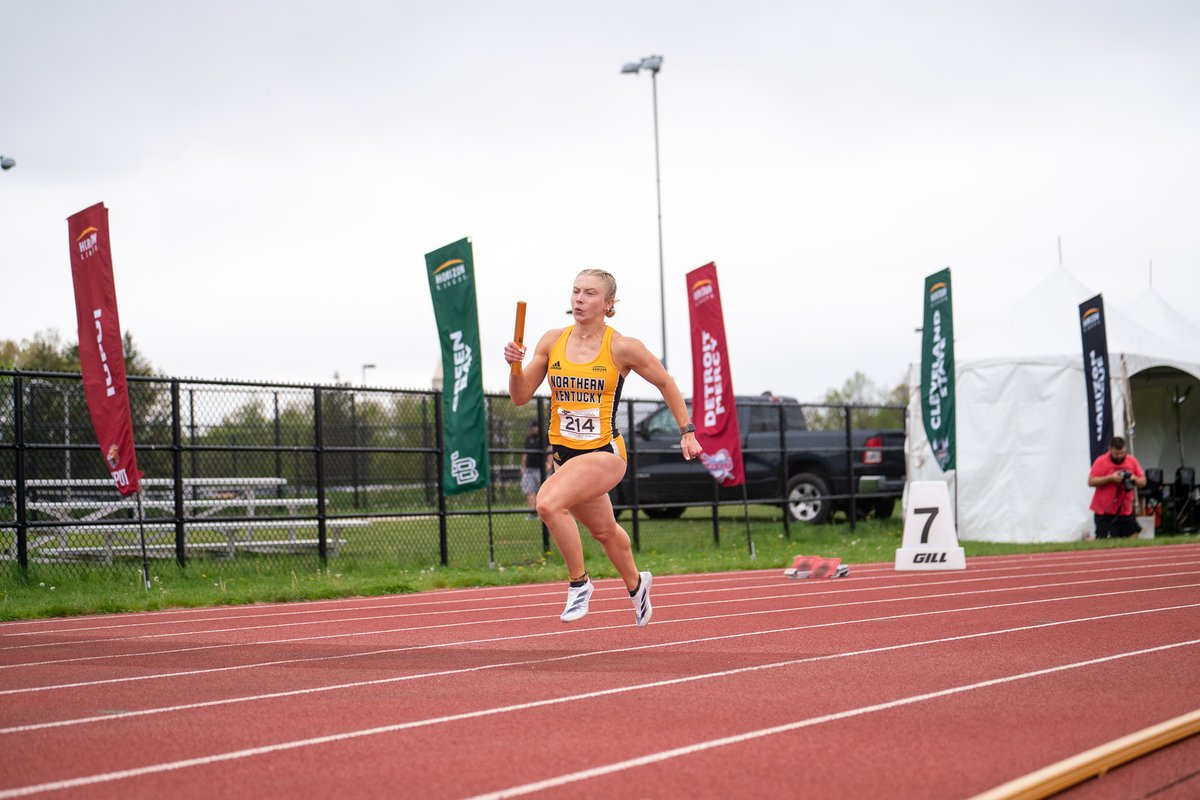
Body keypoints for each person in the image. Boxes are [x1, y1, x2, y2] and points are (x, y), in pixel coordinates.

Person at [503, 268, 703, 626]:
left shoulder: (621, 347)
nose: (579, 298)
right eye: (576, 291)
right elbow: (519, 397)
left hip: (605, 453)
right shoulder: (552, 341)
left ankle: (580, 584)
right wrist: (515, 366)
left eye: (590, 293)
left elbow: (666, 383)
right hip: (565, 457)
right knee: (605, 532)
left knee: (548, 503)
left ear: (608, 304)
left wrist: (687, 430)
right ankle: (637, 583)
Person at [1087, 436, 1147, 538]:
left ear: (1125, 450)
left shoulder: (1131, 461)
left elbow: (1143, 482)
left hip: (1125, 509)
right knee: (1104, 541)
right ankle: (1088, 540)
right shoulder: (1101, 461)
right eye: (1116, 454)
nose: (1119, 456)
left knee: (1134, 538)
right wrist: (1110, 478)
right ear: (1110, 449)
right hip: (1104, 510)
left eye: (1122, 453)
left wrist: (1134, 478)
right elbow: (1091, 481)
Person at [520, 421, 549, 519]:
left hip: (541, 468)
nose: (531, 429)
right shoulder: (528, 439)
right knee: (530, 491)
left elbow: (550, 449)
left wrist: (548, 463)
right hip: (529, 469)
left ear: (538, 427)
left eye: (533, 427)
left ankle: (545, 512)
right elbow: (525, 453)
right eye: (530, 428)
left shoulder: (545, 437)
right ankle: (533, 513)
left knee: (544, 491)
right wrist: (522, 466)